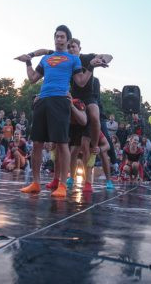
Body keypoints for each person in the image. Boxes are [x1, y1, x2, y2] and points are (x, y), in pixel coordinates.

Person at [16, 25, 107, 197]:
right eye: (57, 36)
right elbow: (32, 79)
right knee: (37, 143)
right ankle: (35, 183)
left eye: (62, 37)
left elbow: (80, 82)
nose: (59, 39)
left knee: (62, 143)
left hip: (60, 101)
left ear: (67, 40)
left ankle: (63, 185)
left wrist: (92, 67)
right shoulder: (46, 59)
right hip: (42, 100)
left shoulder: (73, 59)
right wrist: (28, 61)